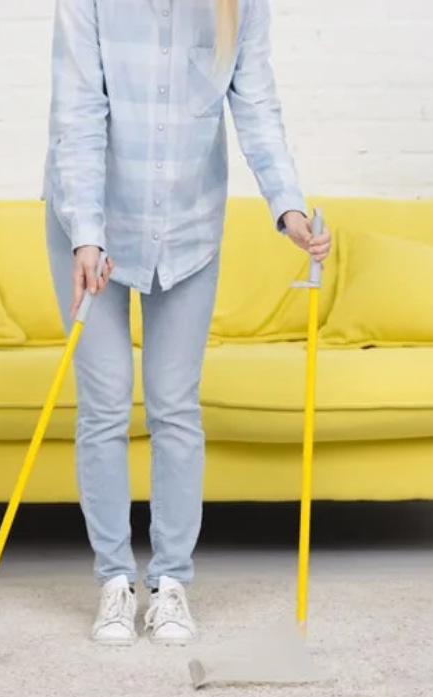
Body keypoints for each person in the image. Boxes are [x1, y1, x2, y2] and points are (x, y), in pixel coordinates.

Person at [41, 0, 332, 647]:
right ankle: (115, 583)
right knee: (106, 405)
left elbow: (256, 105)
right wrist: (86, 233)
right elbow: (78, 111)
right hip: (90, 225)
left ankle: (171, 585)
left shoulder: (240, 5)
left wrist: (288, 209)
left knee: (174, 406)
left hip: (188, 226)